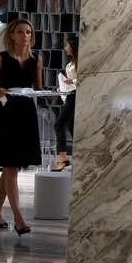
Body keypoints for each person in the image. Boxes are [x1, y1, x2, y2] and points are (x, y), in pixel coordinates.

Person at [0, 19, 43, 236]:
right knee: (11, 167)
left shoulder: (37, 59)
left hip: (26, 113)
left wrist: (56, 92)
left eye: (28, 32)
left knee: (9, 168)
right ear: (12, 35)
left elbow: (38, 88)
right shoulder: (0, 58)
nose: (25, 36)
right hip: (5, 113)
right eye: (20, 32)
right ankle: (19, 218)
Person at [53, 34, 78, 171]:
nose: (65, 48)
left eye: (67, 45)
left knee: (58, 125)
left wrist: (72, 81)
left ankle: (63, 159)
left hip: (75, 96)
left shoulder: (79, 62)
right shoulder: (70, 64)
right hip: (69, 95)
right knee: (71, 126)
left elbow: (86, 77)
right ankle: (76, 157)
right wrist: (62, 87)